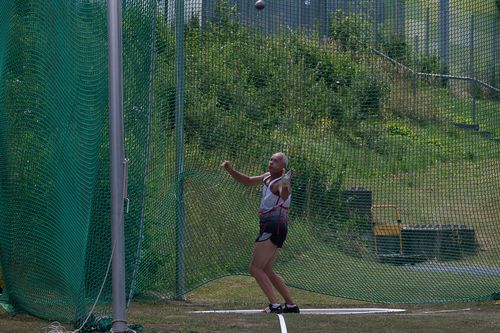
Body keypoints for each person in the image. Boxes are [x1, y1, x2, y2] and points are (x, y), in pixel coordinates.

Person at [221, 152, 300, 314]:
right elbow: (248, 181)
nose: (271, 162)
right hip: (275, 225)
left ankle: (274, 305)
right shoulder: (267, 177)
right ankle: (291, 305)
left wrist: (286, 181)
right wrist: (230, 170)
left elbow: (284, 194)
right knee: (267, 270)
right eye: (271, 159)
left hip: (273, 225)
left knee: (255, 268)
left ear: (282, 168)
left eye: (276, 161)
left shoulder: (278, 183)